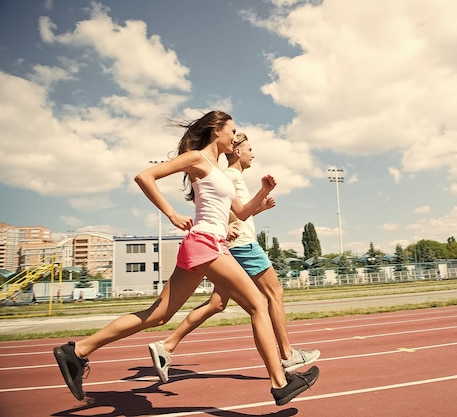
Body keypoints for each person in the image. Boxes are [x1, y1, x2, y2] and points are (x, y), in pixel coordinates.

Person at [52, 111, 319, 406]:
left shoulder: (218, 171)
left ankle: (77, 351)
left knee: (158, 315)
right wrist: (172, 214)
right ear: (217, 130)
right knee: (259, 304)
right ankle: (280, 383)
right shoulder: (197, 159)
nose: (235, 137)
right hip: (204, 243)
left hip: (209, 243)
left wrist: (263, 192)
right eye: (232, 131)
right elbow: (145, 176)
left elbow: (241, 213)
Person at [148, 133, 320, 384]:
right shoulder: (228, 175)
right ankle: (287, 354)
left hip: (231, 246)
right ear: (237, 151)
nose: (253, 154)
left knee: (216, 304)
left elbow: (238, 213)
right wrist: (229, 225)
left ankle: (167, 345)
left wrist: (259, 206)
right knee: (274, 294)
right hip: (242, 246)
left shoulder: (234, 177)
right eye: (250, 149)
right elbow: (215, 208)